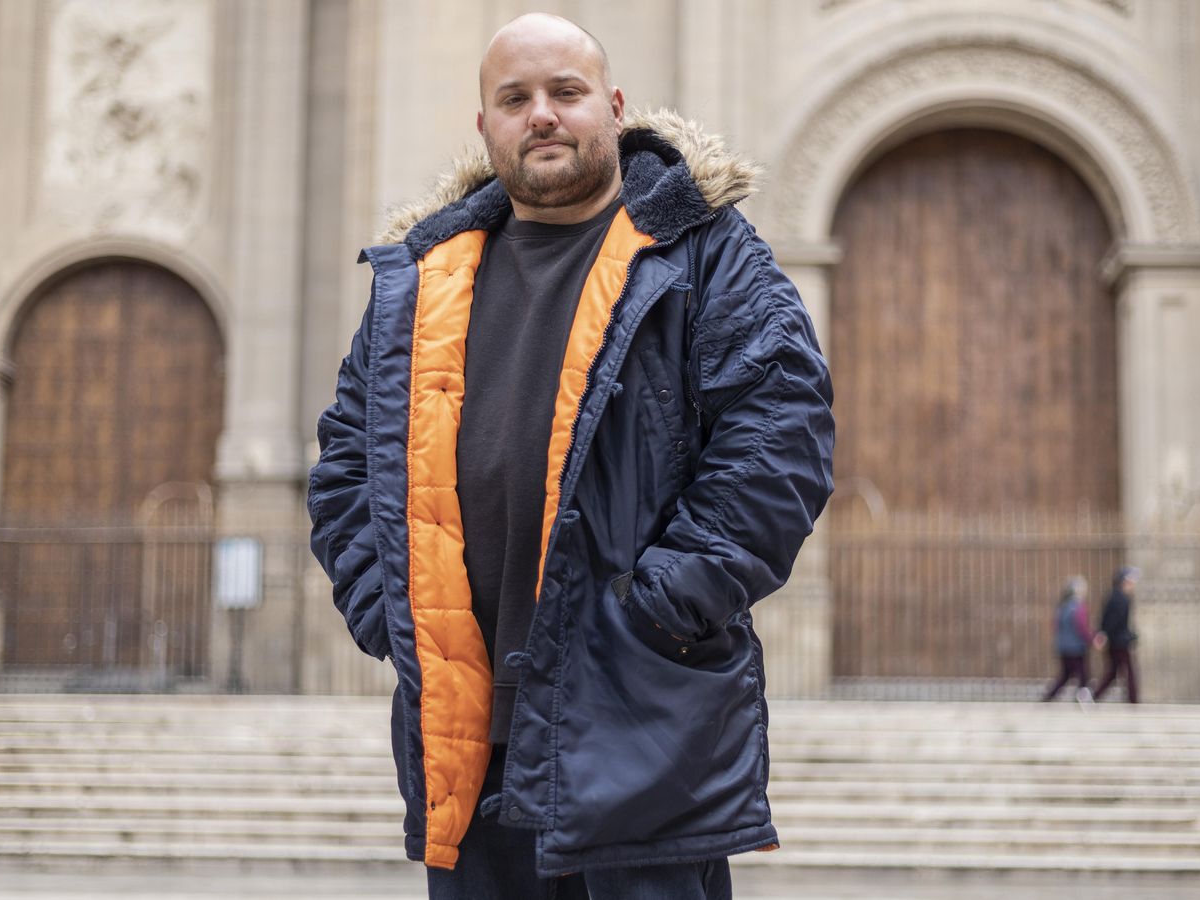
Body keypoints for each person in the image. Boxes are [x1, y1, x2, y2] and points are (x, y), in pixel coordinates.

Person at [306, 13, 834, 899]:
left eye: (565, 91)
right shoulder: (423, 281)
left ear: (615, 107)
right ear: (485, 126)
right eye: (515, 99)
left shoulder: (705, 253)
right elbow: (347, 469)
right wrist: (389, 611)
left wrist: (658, 611)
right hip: (472, 741)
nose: (542, 114)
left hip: (640, 724)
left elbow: (780, 440)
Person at [1040, 575, 1092, 704]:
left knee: (1066, 675)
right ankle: (1083, 698)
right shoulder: (1078, 607)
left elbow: (1055, 626)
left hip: (1063, 646)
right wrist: (1091, 638)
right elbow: (1082, 627)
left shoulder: (1062, 606)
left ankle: (1049, 697)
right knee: (1083, 674)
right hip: (1076, 647)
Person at [1091, 566, 1140, 703]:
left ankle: (1094, 696)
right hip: (1119, 641)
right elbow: (1114, 621)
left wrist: (1102, 633)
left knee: (1113, 672)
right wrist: (1104, 635)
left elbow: (1106, 619)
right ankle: (1133, 700)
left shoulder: (1113, 596)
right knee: (1128, 671)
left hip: (1115, 640)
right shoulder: (1122, 599)